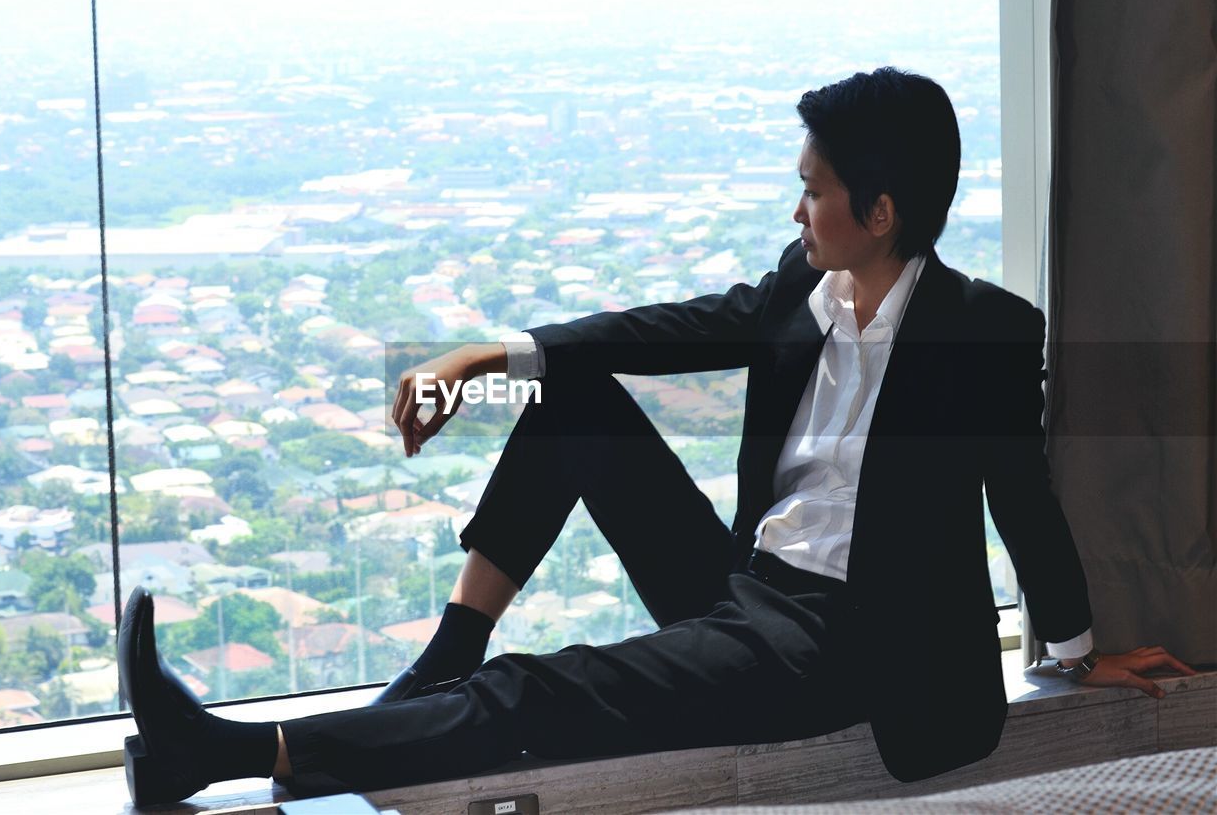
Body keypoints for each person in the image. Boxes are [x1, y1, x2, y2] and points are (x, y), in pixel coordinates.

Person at [117, 67, 1195, 807]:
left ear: (877, 212)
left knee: (542, 695)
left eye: (812, 191)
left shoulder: (984, 332)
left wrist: (1072, 650)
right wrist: (482, 357)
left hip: (841, 643)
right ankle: (447, 652)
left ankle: (227, 752)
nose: (795, 209)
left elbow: (1020, 495)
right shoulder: (798, 287)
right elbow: (667, 330)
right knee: (574, 394)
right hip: (748, 590)